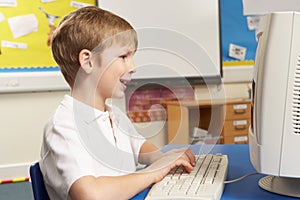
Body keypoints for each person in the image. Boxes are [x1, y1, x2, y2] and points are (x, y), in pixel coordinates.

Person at [39, 6, 196, 200]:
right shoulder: (64, 126)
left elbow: (140, 147)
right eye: (123, 57)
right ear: (88, 62)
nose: (132, 67)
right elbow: (90, 195)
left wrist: (165, 159)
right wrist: (153, 172)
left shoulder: (113, 116)